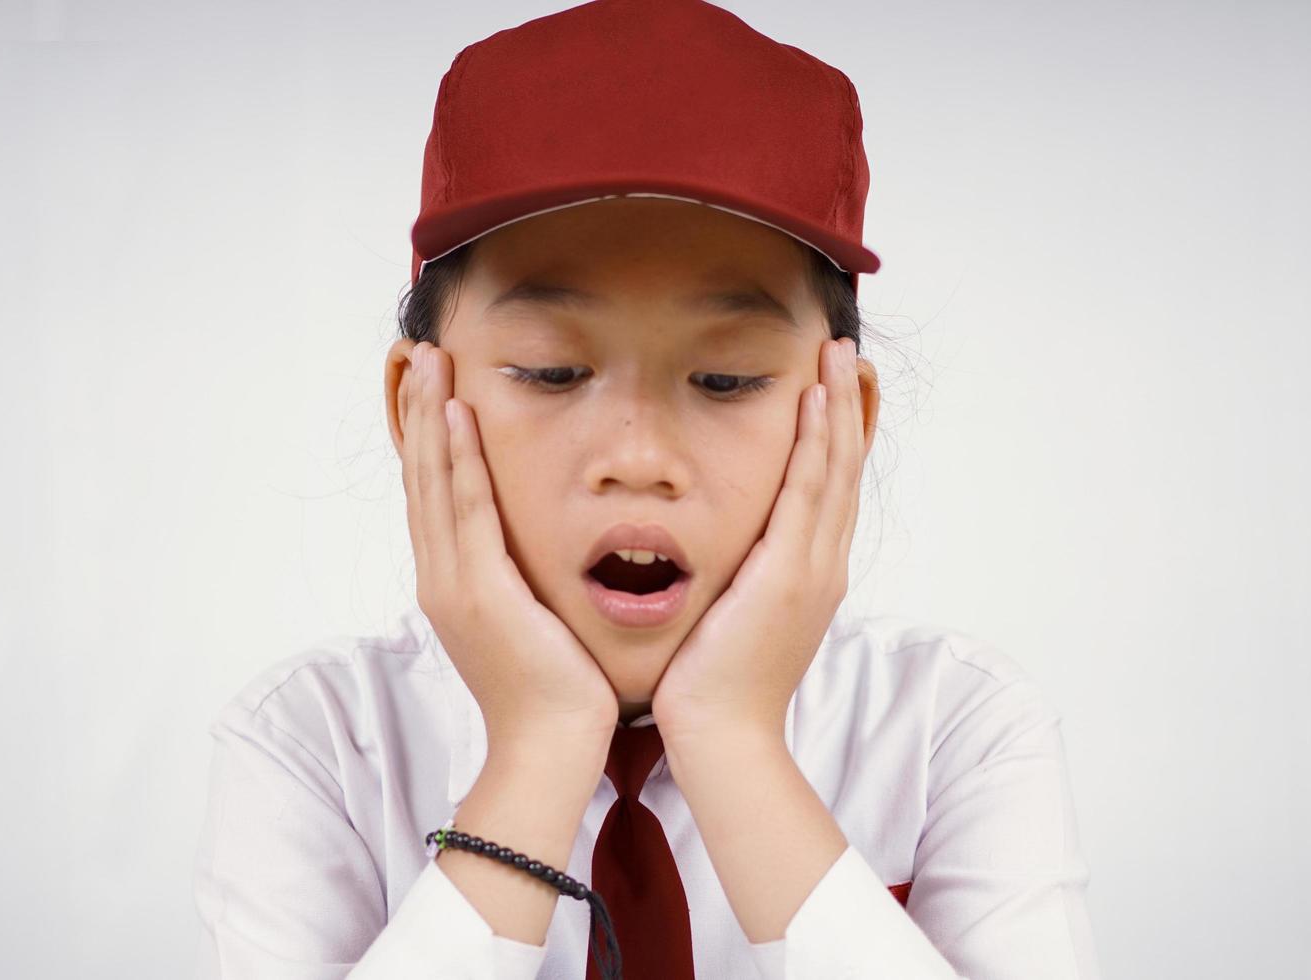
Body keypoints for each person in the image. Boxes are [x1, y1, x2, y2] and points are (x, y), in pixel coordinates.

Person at [193, 1, 1101, 977]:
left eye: (724, 379)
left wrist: (733, 739)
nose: (635, 455)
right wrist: (538, 747)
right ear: (418, 402)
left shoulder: (952, 728)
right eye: (549, 371)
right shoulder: (315, 743)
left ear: (844, 417)